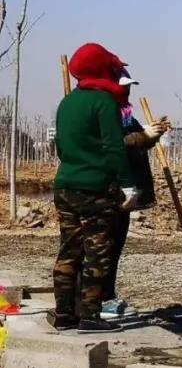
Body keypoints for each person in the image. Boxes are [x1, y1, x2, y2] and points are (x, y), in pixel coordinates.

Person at [51, 43, 141, 334]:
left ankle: (64, 313)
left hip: (65, 185)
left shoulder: (68, 102)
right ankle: (90, 315)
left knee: (69, 249)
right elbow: (114, 147)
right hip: (95, 189)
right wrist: (128, 185)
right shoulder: (104, 102)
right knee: (97, 252)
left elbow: (61, 147)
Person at [99, 69, 170, 320]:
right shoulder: (105, 112)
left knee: (115, 246)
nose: (128, 92)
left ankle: (106, 294)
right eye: (124, 87)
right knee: (102, 248)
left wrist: (152, 133)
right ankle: (98, 300)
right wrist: (143, 136)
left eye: (129, 87)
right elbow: (114, 145)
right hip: (111, 189)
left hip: (126, 193)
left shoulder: (126, 113)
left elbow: (139, 139)